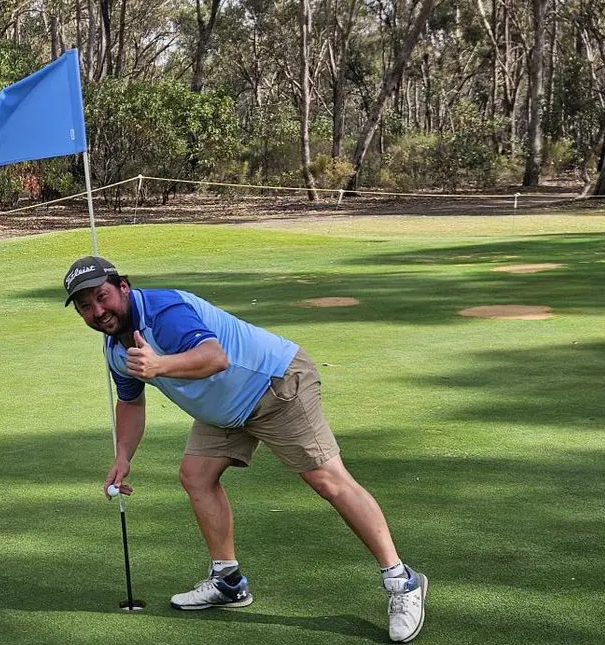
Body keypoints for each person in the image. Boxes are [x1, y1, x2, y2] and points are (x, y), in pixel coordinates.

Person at [63, 255, 428, 643]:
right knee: (196, 476)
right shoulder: (114, 349)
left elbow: (214, 357)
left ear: (124, 286)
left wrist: (159, 365)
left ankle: (402, 582)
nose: (97, 311)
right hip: (226, 408)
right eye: (85, 306)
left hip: (275, 383)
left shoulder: (163, 311)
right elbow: (132, 403)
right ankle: (228, 581)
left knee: (327, 479)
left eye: (102, 297)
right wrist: (123, 456)